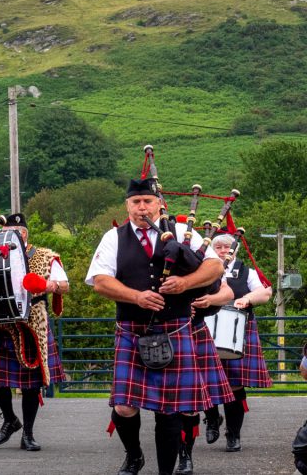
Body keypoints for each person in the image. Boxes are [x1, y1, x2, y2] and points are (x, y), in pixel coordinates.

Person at [85, 178, 223, 475]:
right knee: (123, 406)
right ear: (127, 206)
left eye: (147, 201)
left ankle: (166, 471)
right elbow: (100, 281)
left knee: (170, 409)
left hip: (174, 327)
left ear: (159, 204)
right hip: (132, 329)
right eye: (136, 202)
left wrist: (185, 282)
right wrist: (136, 296)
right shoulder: (114, 237)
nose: (142, 207)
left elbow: (214, 267)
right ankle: (134, 455)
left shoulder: (183, 232)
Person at [0, 213, 69, 452]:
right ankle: (10, 419)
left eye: (16, 229)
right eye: (8, 229)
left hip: (33, 321)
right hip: (1, 321)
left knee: (31, 384)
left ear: (24, 233)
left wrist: (50, 285)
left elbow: (65, 285)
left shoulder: (45, 255)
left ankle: (28, 433)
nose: (11, 233)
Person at [202, 233, 274, 452]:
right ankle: (212, 419)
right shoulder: (202, 268)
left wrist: (248, 298)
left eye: (227, 247)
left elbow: (266, 292)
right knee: (205, 381)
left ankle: (234, 434)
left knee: (234, 385)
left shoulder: (246, 271)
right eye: (219, 247)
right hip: (204, 329)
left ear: (235, 250)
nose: (224, 250)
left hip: (239, 332)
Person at [179, 274, 235, 475]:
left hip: (194, 330)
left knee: (194, 395)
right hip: (160, 331)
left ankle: (185, 456)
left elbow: (228, 293)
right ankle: (213, 416)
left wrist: (210, 300)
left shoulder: (203, 261)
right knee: (174, 402)